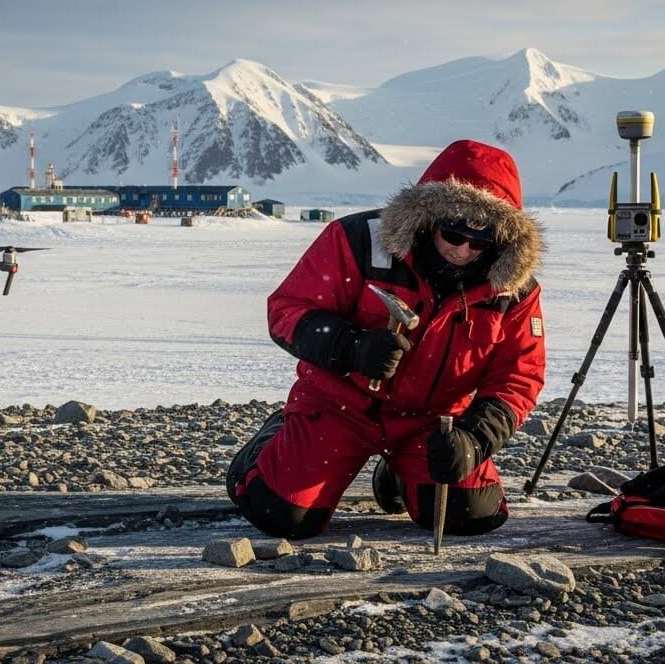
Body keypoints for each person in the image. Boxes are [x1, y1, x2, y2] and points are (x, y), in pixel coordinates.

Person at [226, 139, 546, 539]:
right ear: (430, 218)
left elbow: (519, 376)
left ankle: (399, 475)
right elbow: (287, 310)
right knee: (281, 514)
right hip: (339, 408)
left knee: (470, 516)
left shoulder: (512, 287)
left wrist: (474, 440)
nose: (463, 251)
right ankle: (270, 444)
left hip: (432, 424)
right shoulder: (359, 239)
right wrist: (351, 346)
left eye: (480, 242)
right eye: (453, 234)